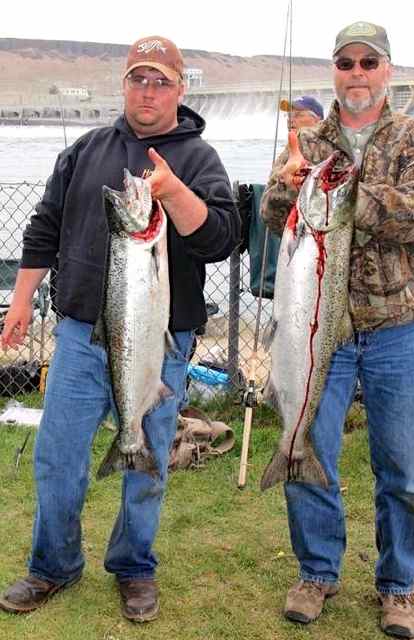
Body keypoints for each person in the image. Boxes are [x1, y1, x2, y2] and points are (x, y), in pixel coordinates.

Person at [0, 35, 240, 622]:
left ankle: (134, 567)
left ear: (181, 89)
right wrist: (22, 301)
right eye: (139, 78)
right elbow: (44, 228)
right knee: (58, 457)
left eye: (161, 80)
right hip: (82, 336)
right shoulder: (86, 149)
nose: (148, 90)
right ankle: (52, 565)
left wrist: (173, 191)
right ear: (124, 84)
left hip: (161, 341)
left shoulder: (199, 158)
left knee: (148, 457)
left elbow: (221, 239)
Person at [260, 21, 414, 639]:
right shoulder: (309, 143)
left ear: (387, 70)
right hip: (321, 333)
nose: (357, 73)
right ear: (334, 71)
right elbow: (272, 215)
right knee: (310, 445)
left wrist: (343, 191)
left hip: (398, 326)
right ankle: (316, 571)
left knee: (400, 463)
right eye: (346, 62)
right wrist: (288, 188)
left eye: (369, 61)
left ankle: (398, 585)